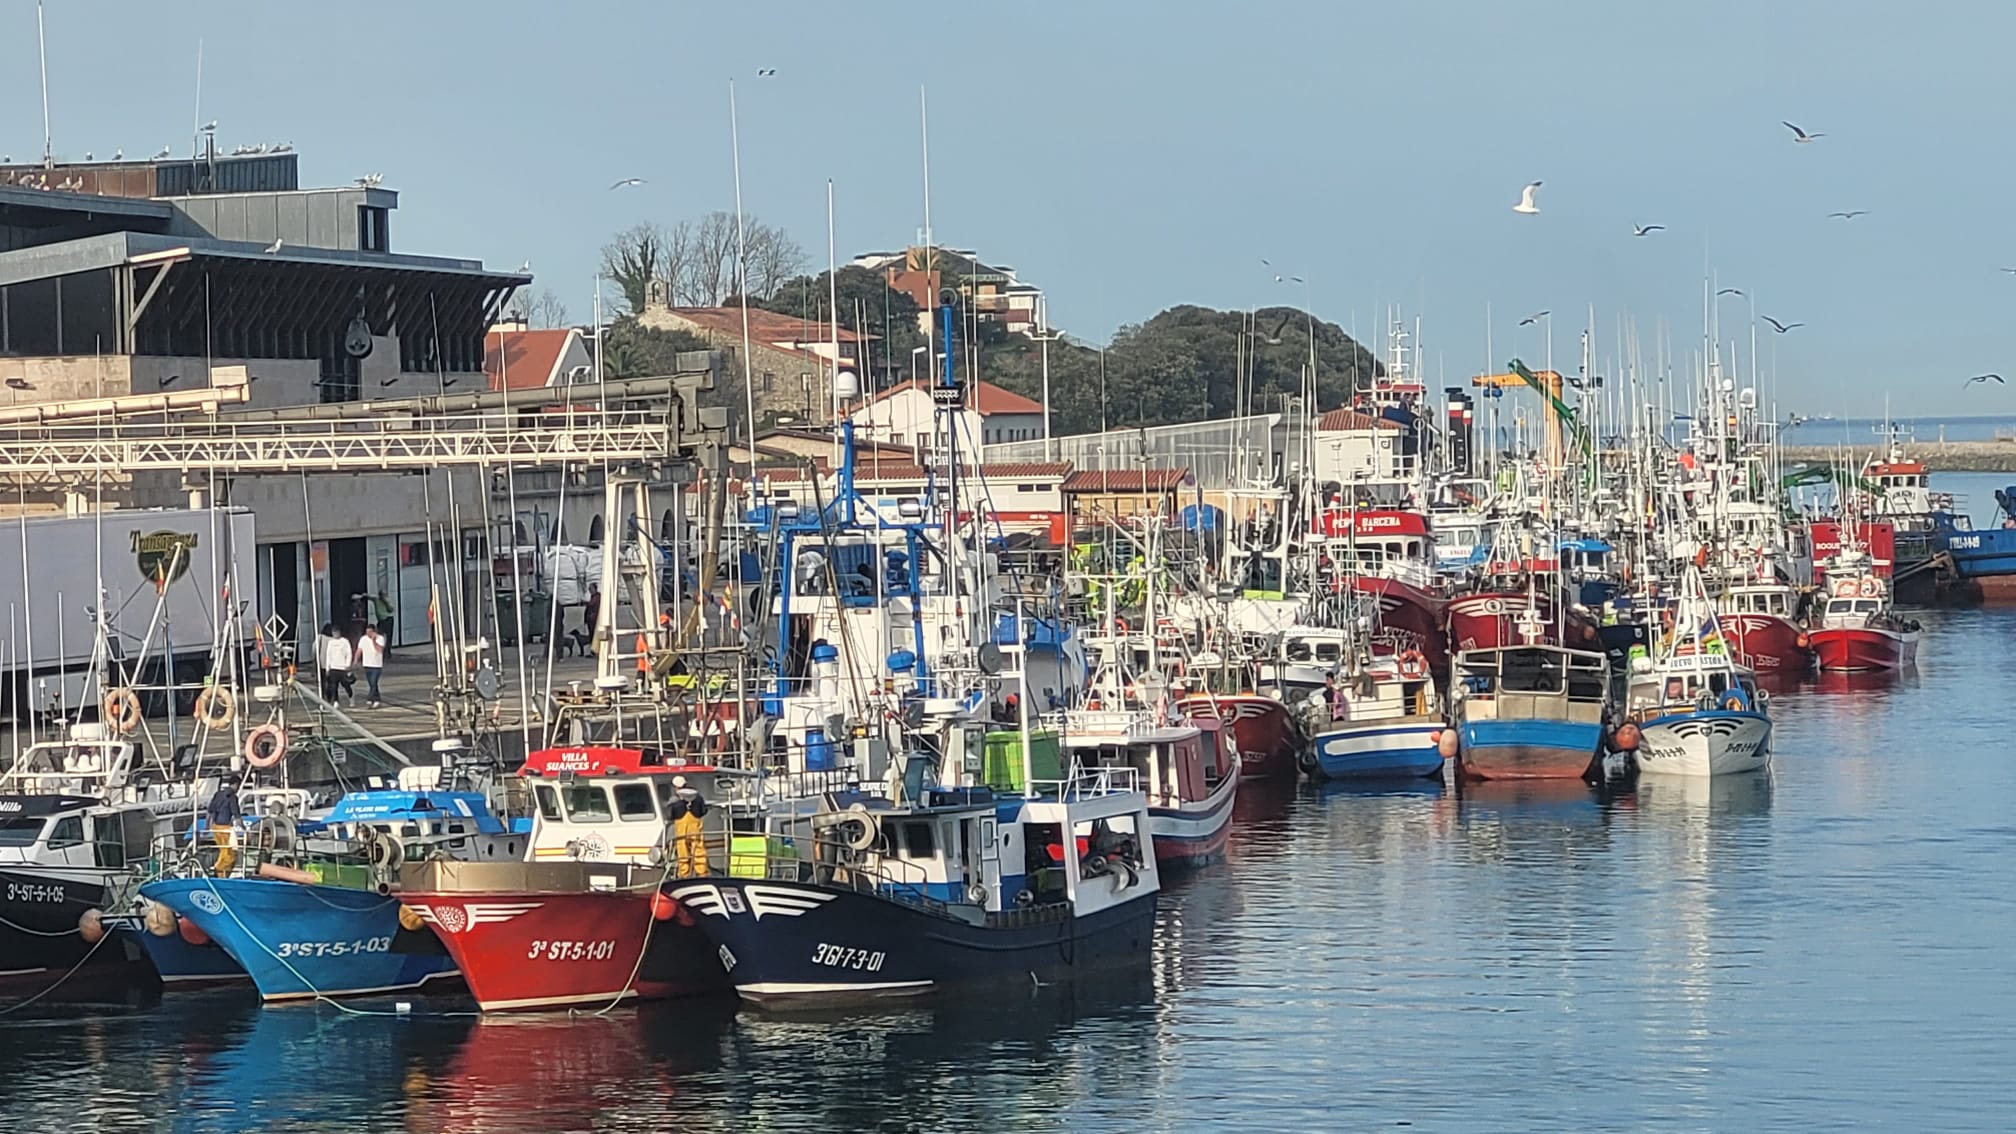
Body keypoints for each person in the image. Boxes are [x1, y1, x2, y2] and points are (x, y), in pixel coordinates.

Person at [670, 775, 708, 878]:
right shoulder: (698, 798)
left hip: (681, 827)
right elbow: (703, 811)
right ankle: (702, 873)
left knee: (682, 849)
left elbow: (671, 814)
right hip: (695, 825)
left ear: (675, 787)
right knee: (698, 847)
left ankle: (684, 874)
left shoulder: (674, 800)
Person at [207, 781, 243, 876]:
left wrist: (207, 826)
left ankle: (221, 874)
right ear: (235, 785)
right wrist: (244, 829)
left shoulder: (218, 794)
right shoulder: (232, 798)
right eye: (238, 787)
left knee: (223, 851)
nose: (238, 789)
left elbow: (210, 812)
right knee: (230, 855)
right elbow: (237, 816)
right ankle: (217, 868)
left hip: (215, 827)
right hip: (225, 828)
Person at [358, 624, 387, 708]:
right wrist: (356, 659)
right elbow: (359, 649)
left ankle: (370, 698)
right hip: (367, 664)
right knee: (371, 683)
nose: (368, 634)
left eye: (370, 632)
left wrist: (373, 641)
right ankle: (377, 699)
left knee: (374, 682)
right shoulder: (363, 639)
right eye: (367, 632)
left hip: (376, 665)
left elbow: (380, 650)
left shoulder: (380, 638)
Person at [324, 627, 354, 705]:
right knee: (334, 686)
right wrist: (328, 667)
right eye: (334, 632)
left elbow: (349, 653)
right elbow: (328, 655)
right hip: (333, 667)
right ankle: (336, 701)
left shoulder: (345, 641)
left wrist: (348, 664)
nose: (335, 634)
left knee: (346, 685)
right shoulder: (331, 642)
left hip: (343, 667)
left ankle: (351, 696)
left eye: (336, 632)